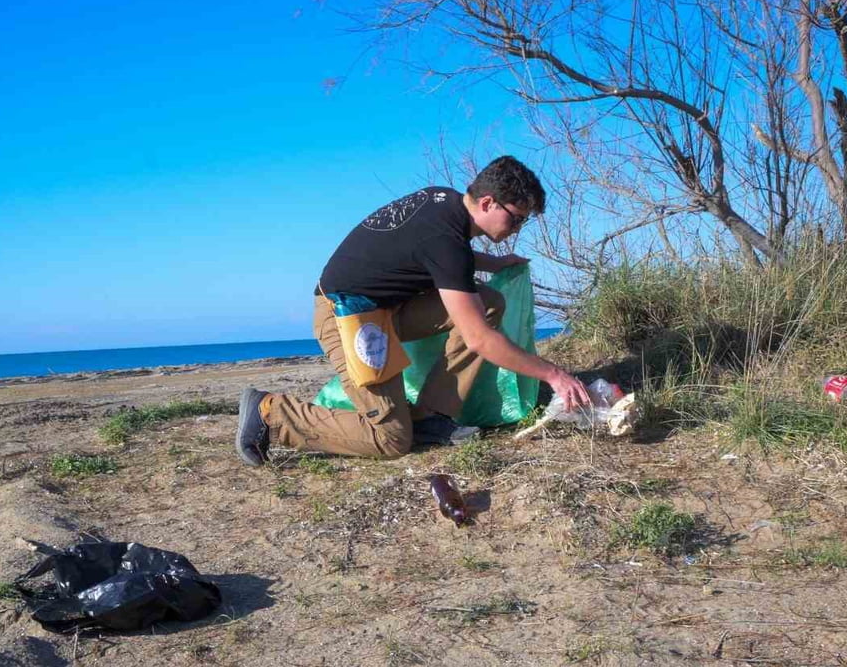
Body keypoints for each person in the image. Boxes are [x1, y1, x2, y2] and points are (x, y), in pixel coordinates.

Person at [235, 156, 591, 465]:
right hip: (347, 316)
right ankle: (271, 413)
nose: (517, 228)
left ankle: (430, 416)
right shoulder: (445, 239)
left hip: (387, 309)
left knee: (487, 303)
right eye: (516, 219)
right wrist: (554, 375)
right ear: (487, 203)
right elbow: (479, 339)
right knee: (389, 438)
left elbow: (431, 251)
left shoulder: (444, 202)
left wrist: (494, 264)